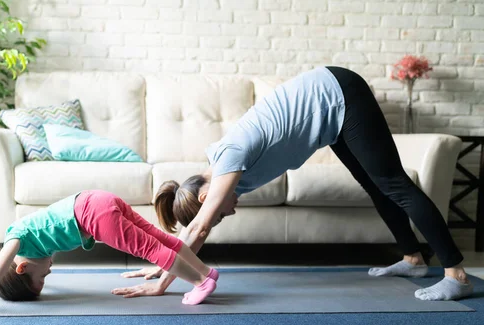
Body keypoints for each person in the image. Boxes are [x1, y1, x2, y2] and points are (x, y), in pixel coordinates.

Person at [113, 66, 473, 302]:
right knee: (375, 185)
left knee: (392, 183)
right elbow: (196, 226)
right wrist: (164, 262)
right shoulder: (222, 164)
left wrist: (163, 281)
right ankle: (413, 259)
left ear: (207, 195)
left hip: (342, 95)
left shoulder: (228, 159)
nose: (230, 211)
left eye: (222, 212)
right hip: (332, 116)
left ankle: (456, 274)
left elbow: (199, 227)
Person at [0, 190, 219, 316]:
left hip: (92, 214)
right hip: (97, 199)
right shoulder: (22, 247)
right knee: (160, 239)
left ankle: (200, 283)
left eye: (42, 279)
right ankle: (206, 270)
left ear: (22, 268)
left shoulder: (17, 240)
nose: (48, 273)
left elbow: (0, 268)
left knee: (151, 248)